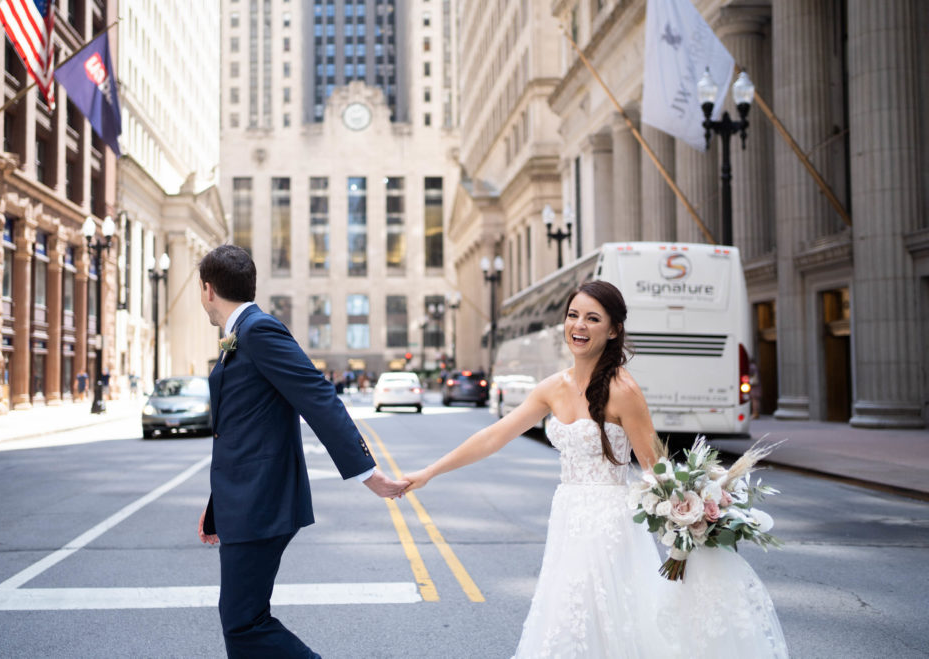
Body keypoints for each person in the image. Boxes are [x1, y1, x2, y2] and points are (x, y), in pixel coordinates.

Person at [403, 280, 787, 658]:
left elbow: (657, 469)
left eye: (592, 318)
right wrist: (430, 472)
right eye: (573, 316)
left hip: (611, 524)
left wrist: (692, 518)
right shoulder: (551, 387)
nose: (579, 326)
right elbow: (492, 437)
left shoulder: (624, 390)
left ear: (614, 330)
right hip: (567, 515)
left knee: (602, 617)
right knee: (564, 618)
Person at [196, 245, 408, 658]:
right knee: (242, 618)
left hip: (262, 502)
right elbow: (239, 432)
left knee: (243, 622)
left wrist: (367, 472)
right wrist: (217, 507)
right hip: (245, 502)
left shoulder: (258, 331)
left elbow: (318, 397)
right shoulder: (243, 334)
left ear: (207, 290)